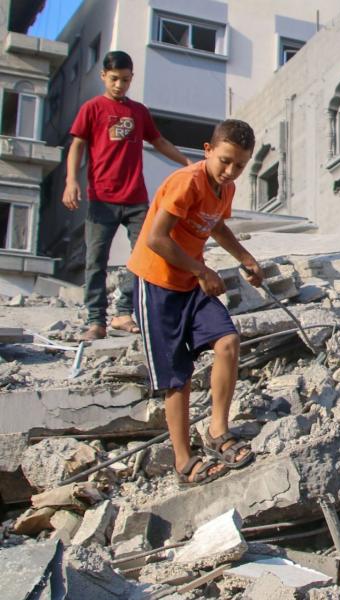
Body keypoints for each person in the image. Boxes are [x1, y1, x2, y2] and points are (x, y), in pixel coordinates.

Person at [127, 119, 263, 486]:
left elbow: (215, 225)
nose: (230, 171)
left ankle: (218, 431)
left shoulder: (225, 188)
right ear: (207, 151)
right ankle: (183, 460)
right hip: (158, 283)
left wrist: (244, 257)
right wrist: (202, 271)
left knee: (228, 341)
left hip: (190, 281)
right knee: (177, 376)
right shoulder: (186, 182)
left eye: (240, 165)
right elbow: (156, 238)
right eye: (225, 161)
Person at [62, 50, 191, 342]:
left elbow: (158, 141)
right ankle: (96, 321)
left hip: (135, 199)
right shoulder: (92, 108)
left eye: (126, 80)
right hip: (102, 199)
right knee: (95, 261)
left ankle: (123, 312)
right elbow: (77, 146)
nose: (120, 85)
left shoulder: (138, 112)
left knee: (146, 253)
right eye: (115, 79)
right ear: (104, 76)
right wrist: (71, 181)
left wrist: (186, 163)